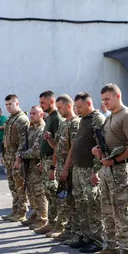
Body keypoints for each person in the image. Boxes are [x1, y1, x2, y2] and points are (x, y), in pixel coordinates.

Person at [92, 84, 128, 254]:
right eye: (102, 99)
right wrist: (97, 150)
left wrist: (115, 160)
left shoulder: (126, 115)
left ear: (117, 96)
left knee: (122, 209)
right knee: (107, 208)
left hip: (120, 168)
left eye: (107, 99)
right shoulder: (110, 116)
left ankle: (127, 250)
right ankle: (111, 245)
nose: (104, 102)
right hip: (107, 168)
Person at [63, 92, 105, 253]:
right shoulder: (83, 120)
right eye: (76, 107)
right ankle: (85, 236)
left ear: (88, 104)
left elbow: (101, 146)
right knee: (81, 204)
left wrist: (96, 170)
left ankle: (97, 239)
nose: (77, 110)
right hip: (79, 169)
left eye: (79, 107)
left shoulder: (97, 120)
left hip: (89, 170)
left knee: (93, 205)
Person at [47, 94, 80, 240]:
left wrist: (66, 169)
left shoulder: (74, 123)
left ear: (68, 106)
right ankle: (67, 229)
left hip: (70, 168)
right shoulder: (64, 124)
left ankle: (73, 231)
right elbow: (57, 148)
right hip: (61, 166)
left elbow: (73, 149)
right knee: (64, 200)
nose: (58, 110)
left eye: (60, 107)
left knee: (71, 201)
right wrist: (49, 140)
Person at [34, 91, 64, 234]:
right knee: (49, 193)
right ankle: (51, 222)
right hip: (45, 160)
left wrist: (53, 166)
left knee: (54, 194)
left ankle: (59, 225)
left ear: (51, 102)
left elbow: (58, 146)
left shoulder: (56, 118)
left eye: (43, 103)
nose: (41, 106)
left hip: (52, 161)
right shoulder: (50, 117)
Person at [17, 105, 48, 230]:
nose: (31, 115)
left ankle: (43, 218)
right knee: (30, 191)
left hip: (37, 165)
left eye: (34, 113)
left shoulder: (42, 129)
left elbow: (36, 151)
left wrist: (22, 155)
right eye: (30, 113)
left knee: (39, 193)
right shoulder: (31, 129)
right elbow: (24, 144)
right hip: (29, 166)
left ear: (41, 114)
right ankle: (35, 214)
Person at [1, 95, 30, 222]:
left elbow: (24, 142)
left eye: (10, 104)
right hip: (9, 157)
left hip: (17, 158)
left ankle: (22, 212)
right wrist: (4, 155)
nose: (8, 106)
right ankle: (15, 210)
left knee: (20, 185)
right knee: (12, 185)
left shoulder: (22, 119)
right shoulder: (10, 119)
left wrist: (18, 159)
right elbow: (5, 139)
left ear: (17, 103)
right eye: (6, 104)